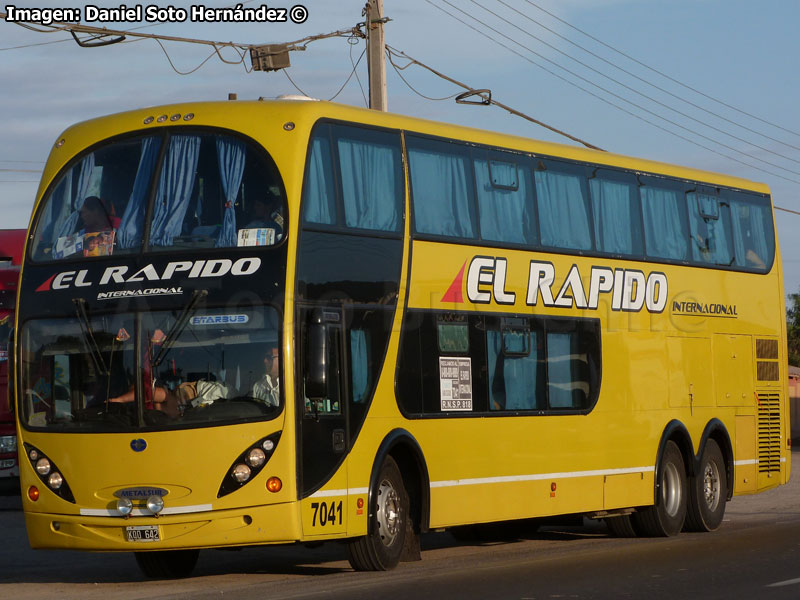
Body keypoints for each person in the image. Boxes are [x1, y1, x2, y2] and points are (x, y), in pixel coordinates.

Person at [109, 379, 228, 417]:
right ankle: (119, 400)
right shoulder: (223, 392)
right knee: (171, 401)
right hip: (193, 391)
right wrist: (188, 406)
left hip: (190, 400)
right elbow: (202, 399)